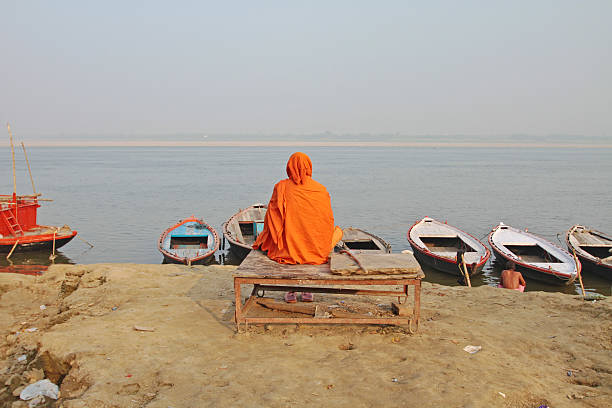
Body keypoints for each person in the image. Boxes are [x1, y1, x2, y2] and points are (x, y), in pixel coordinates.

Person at [253, 152, 342, 303]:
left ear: (289, 167)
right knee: (336, 232)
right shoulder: (320, 189)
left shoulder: (281, 187)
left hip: (288, 249)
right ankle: (307, 291)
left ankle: (291, 291)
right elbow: (326, 220)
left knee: (285, 237)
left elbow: (272, 218)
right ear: (308, 167)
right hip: (315, 249)